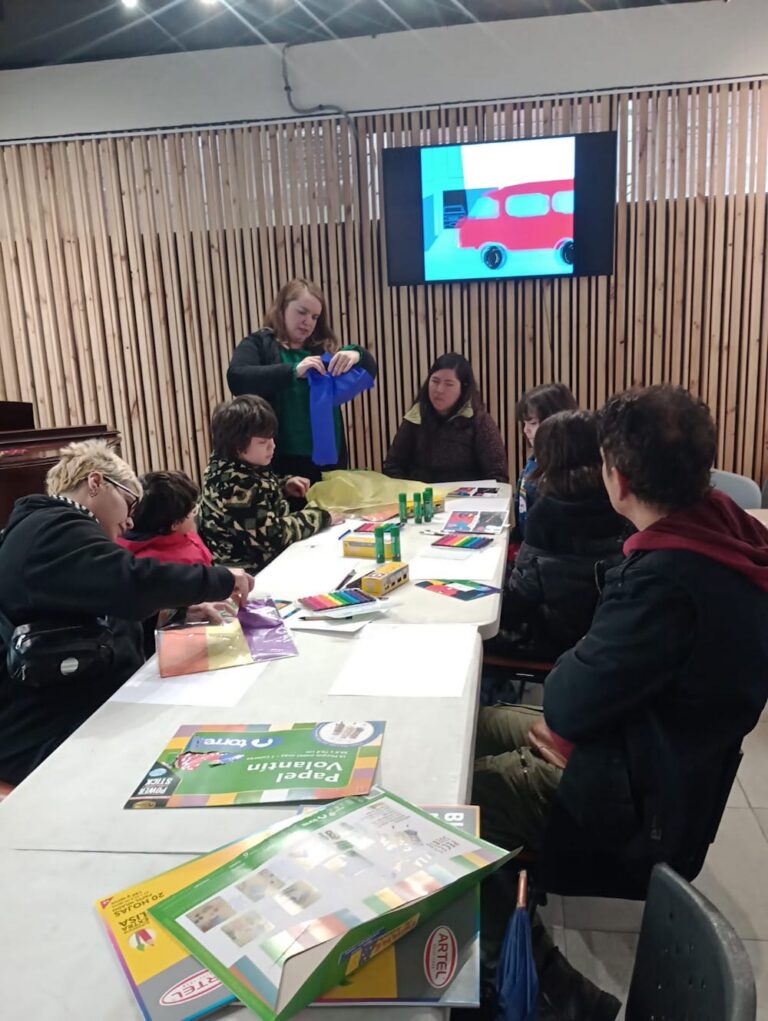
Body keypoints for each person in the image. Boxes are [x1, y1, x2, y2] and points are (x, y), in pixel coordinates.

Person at [473, 385, 768, 1019]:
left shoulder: (670, 577)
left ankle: (551, 992)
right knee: (479, 724)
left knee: (449, 809)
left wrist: (574, 717)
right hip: (651, 755)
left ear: (619, 478)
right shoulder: (728, 532)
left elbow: (570, 703)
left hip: (633, 790)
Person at [0, 441, 253, 786]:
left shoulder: (45, 528)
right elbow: (132, 580)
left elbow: (100, 604)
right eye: (129, 502)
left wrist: (165, 614)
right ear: (96, 483)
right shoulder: (55, 527)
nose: (130, 519)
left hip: (59, 710)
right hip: (48, 732)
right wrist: (222, 578)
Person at [489, 410, 626, 662]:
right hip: (611, 632)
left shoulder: (547, 511)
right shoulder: (621, 500)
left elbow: (522, 596)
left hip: (553, 637)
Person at [227, 278, 378, 483]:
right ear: (281, 309)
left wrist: (357, 355)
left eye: (315, 317)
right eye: (302, 312)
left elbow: (369, 369)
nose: (309, 321)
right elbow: (237, 378)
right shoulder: (259, 343)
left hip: (328, 463)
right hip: (281, 461)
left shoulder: (319, 350)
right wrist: (293, 371)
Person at [198, 395, 339, 573]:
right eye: (262, 442)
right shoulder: (237, 485)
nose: (272, 446)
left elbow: (254, 491)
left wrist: (283, 485)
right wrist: (320, 517)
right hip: (251, 575)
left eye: (271, 439)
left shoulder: (226, 462)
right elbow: (273, 536)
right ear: (237, 446)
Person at [382, 353, 509, 484]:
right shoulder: (415, 417)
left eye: (449, 384)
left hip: (468, 501)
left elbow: (497, 475)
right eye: (435, 381)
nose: (439, 390)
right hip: (422, 499)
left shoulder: (479, 421)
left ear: (463, 388)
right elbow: (393, 467)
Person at [513, 382, 578, 539]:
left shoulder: (568, 472)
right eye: (525, 423)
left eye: (533, 423)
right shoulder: (534, 460)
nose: (525, 430)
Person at [118, 470, 213, 566]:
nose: (194, 516)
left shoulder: (120, 545)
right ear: (175, 524)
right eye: (193, 511)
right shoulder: (181, 563)